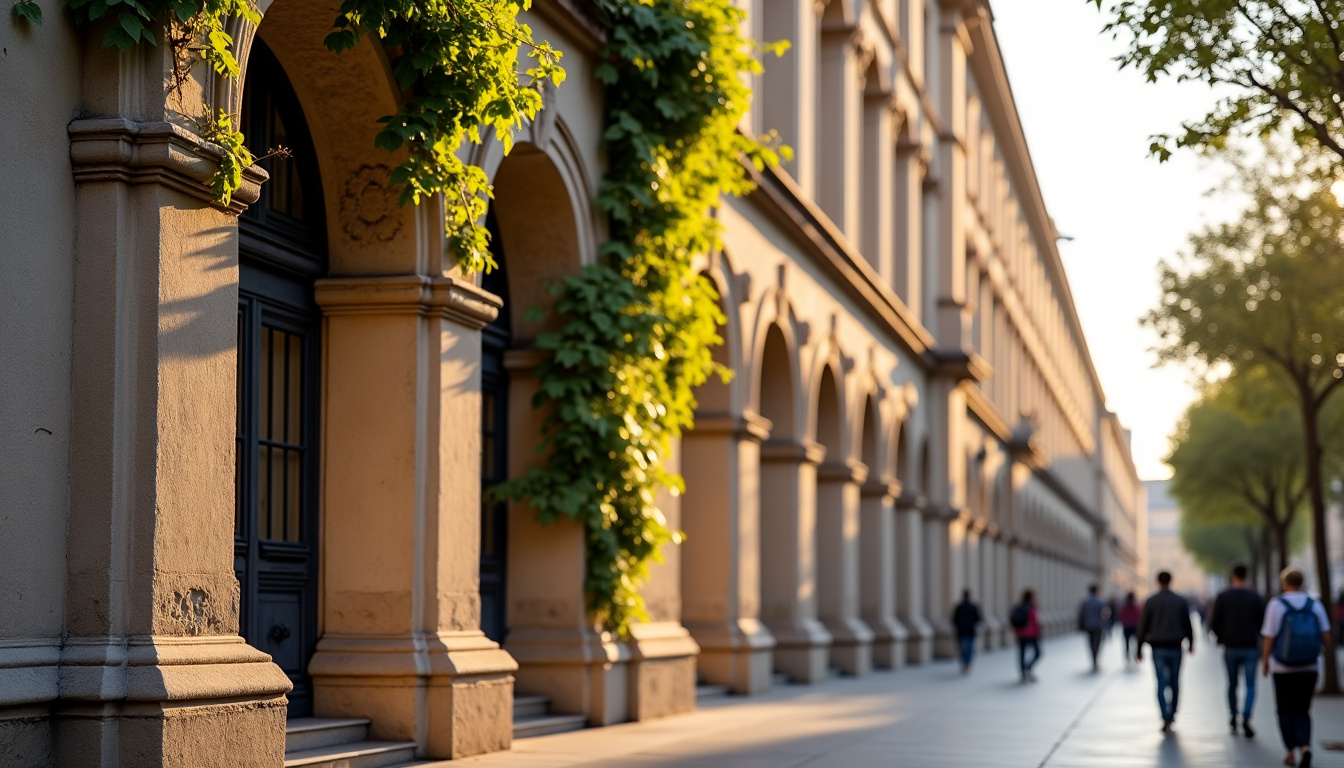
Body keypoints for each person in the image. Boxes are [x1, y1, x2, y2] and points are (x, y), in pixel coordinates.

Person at [1260, 568, 1331, 768]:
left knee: (1284, 709)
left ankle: (1290, 750)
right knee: (1303, 709)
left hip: (1282, 667)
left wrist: (1265, 662)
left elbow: (1269, 637)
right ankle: (1305, 747)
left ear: (1284, 583)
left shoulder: (1276, 604)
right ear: (1302, 583)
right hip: (1309, 666)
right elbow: (1326, 635)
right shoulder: (1315, 604)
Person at [1209, 562, 1265, 738]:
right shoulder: (1255, 597)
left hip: (1230, 646)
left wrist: (1220, 637)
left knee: (1232, 684)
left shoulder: (1223, 596)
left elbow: (1214, 622)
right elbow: (1263, 623)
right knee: (1250, 685)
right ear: (1246, 576)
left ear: (1232, 575)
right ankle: (1246, 717)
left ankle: (1233, 716)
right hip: (1250, 646)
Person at [1136, 571, 1194, 733]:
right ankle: (1172, 713)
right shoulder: (1180, 601)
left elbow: (1143, 626)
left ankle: (1164, 715)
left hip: (1158, 647)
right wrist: (1191, 642)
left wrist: (1138, 648)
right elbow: (1187, 623)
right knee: (1175, 682)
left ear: (1157, 581)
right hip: (1176, 646)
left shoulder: (1151, 601)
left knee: (1161, 682)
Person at [1010, 589, 1042, 683]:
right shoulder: (1032, 608)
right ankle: (1028, 668)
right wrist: (1038, 633)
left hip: (1020, 633)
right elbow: (1035, 622)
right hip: (1031, 633)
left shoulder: (1019, 607)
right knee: (1038, 652)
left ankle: (1023, 672)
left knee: (1022, 653)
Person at [1078, 584, 1109, 672]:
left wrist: (1081, 626)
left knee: (1090, 643)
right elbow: (1105, 614)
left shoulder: (1085, 602)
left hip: (1088, 626)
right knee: (1097, 643)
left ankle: (1093, 659)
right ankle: (1096, 659)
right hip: (1098, 626)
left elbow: (1081, 615)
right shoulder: (1101, 601)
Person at [952, 589, 983, 674]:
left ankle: (965, 663)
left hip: (961, 631)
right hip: (970, 631)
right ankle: (968, 663)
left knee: (962, 648)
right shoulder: (973, 607)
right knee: (969, 648)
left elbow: (954, 620)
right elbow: (979, 619)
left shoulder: (959, 607)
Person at [1119, 592, 1142, 664]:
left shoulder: (1125, 606)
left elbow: (1122, 616)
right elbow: (1138, 616)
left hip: (1127, 626)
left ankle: (1128, 655)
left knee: (1127, 643)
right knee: (1135, 643)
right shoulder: (1136, 606)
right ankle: (1135, 655)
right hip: (1134, 626)